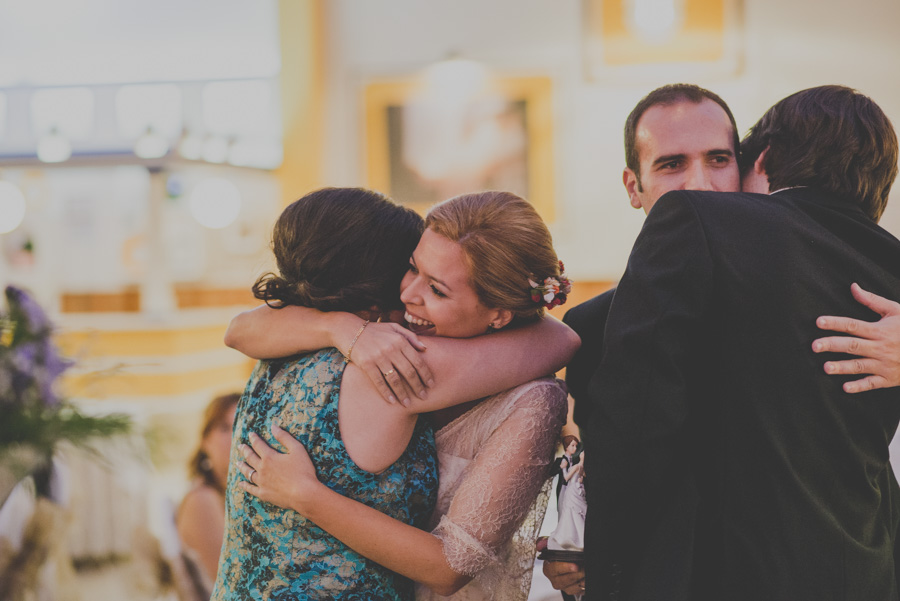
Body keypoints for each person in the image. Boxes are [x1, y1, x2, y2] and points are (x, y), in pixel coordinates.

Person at [546, 83, 900, 597]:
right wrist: (580, 545)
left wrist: (610, 562)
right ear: (633, 185)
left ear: (759, 160)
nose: (700, 185)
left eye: (719, 159)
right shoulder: (590, 325)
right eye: (671, 165)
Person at [228, 190, 577, 600]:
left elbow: (236, 328)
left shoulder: (293, 353)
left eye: (438, 289)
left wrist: (309, 496)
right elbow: (561, 338)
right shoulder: (389, 356)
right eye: (411, 268)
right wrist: (341, 329)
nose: (409, 293)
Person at [175, 392, 239, 592]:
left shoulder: (230, 497)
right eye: (224, 428)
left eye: (241, 424)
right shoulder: (202, 500)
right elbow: (232, 581)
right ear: (205, 441)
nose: (235, 436)